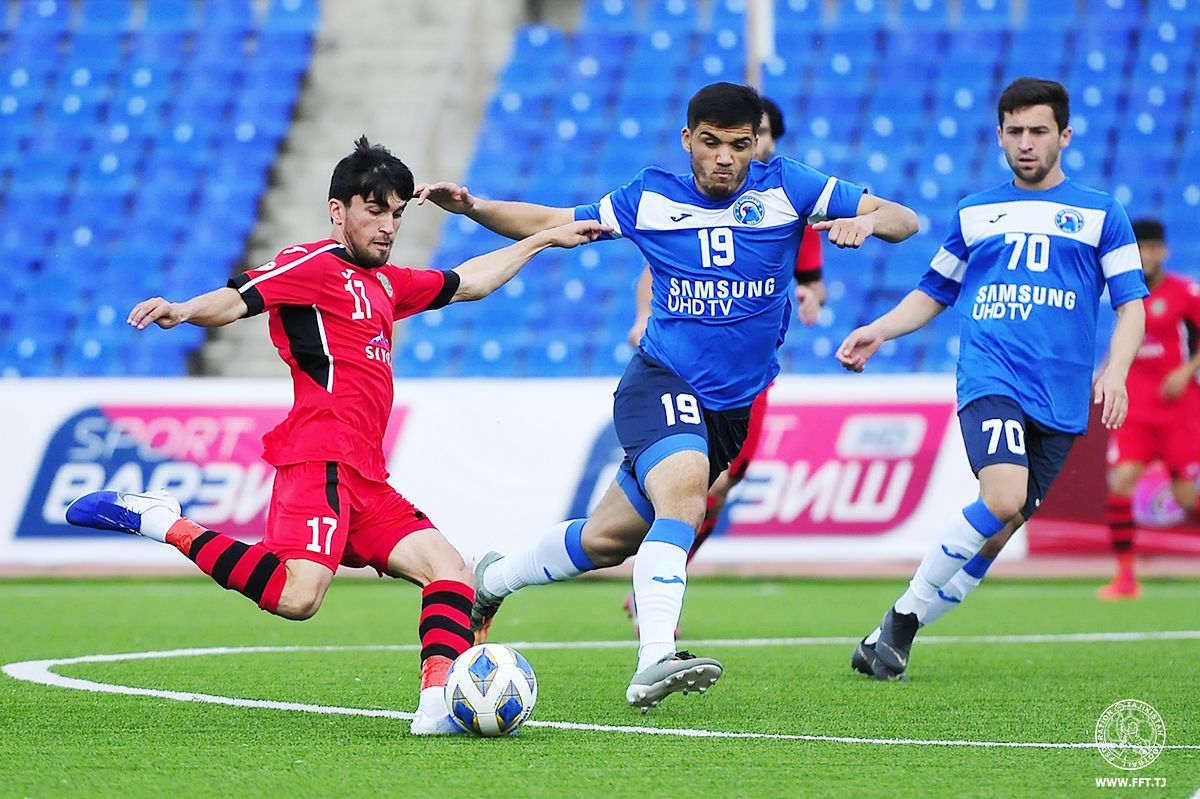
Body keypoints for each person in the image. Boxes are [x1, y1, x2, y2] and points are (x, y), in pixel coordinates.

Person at [63, 137, 608, 733]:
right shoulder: (313, 264)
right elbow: (240, 298)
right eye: (374, 210)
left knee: (449, 570)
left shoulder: (386, 284)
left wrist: (540, 240)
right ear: (337, 210)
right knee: (298, 598)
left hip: (366, 473)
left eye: (396, 213)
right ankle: (163, 521)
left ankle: (435, 707)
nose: (387, 226)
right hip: (318, 456)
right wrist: (185, 309)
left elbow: (468, 282)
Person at [416, 82, 919, 709]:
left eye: (739, 145)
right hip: (660, 380)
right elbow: (551, 221)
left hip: (729, 409)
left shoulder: (790, 186)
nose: (724, 158)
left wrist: (867, 221)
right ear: (687, 140)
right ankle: (654, 657)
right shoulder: (650, 198)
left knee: (606, 540)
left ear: (754, 146)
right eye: (711, 143)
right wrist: (474, 208)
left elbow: (905, 218)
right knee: (685, 498)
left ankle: (490, 579)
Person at [836, 77, 1147, 680]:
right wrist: (880, 330)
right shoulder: (974, 212)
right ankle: (902, 621)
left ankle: (884, 639)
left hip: (1060, 396)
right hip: (991, 374)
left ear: (1065, 136)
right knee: (1001, 498)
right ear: (999, 136)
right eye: (1015, 131)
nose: (1026, 143)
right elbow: (935, 291)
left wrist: (1117, 369)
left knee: (999, 531)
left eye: (1039, 131)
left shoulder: (1102, 213)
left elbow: (1130, 304)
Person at [622, 96, 827, 630]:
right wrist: (643, 317)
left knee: (726, 480)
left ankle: (663, 570)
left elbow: (812, 277)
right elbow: (656, 268)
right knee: (697, 486)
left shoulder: (791, 202)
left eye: (759, 139)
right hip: (685, 367)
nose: (755, 148)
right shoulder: (691, 201)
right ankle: (658, 590)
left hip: (747, 376)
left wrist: (810, 296)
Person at [1100, 219, 1200, 600]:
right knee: (1122, 481)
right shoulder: (1124, 294)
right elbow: (1122, 339)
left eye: (1153, 248)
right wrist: (1106, 372)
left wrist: (1187, 371)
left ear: (1164, 252)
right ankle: (1126, 577)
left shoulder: (1185, 292)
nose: (1147, 255)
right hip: (1136, 409)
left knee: (1186, 497)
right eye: (1140, 248)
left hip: (1179, 409)